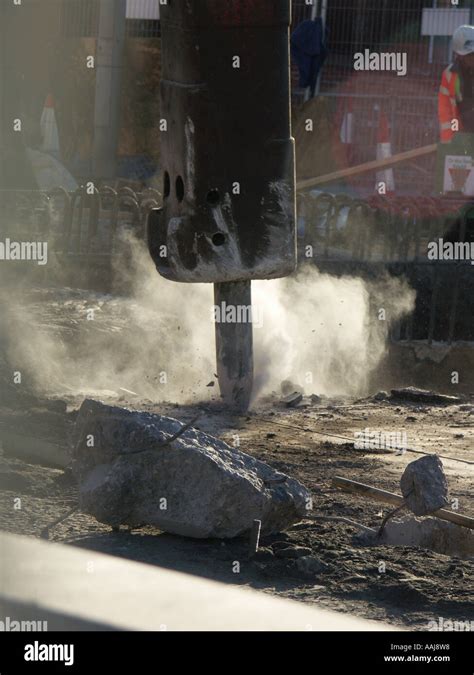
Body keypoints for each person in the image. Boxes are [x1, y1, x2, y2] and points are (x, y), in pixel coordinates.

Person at [439, 25, 474, 143]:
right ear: (460, 55)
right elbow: (446, 111)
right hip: (462, 134)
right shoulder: (449, 75)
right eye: (470, 55)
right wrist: (450, 140)